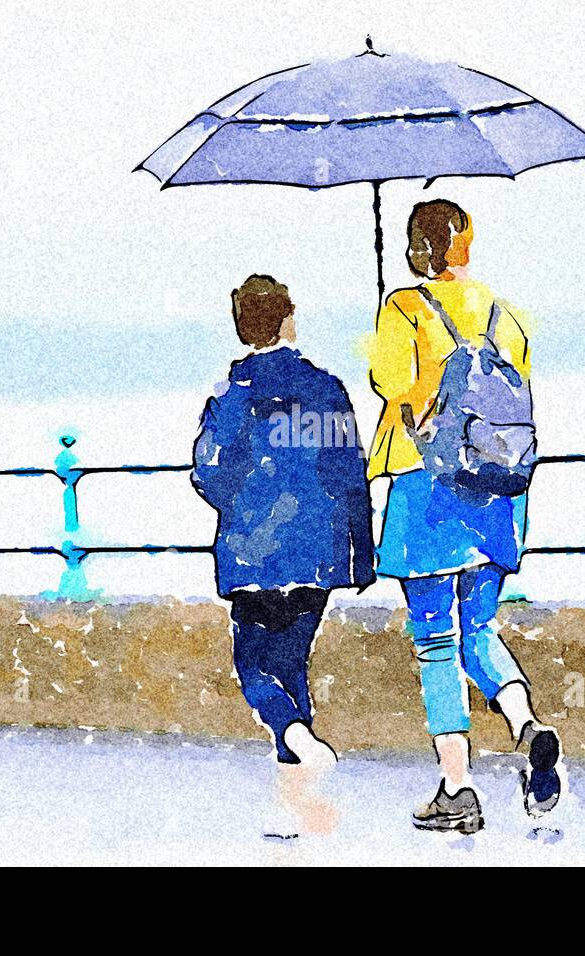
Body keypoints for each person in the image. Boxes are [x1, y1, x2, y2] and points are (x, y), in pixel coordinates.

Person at [368, 200, 562, 834]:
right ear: (465, 245)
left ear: (416, 245)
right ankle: (526, 723)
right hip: (500, 489)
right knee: (479, 627)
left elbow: (390, 383)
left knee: (433, 639)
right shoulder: (507, 315)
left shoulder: (403, 306)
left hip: (428, 485)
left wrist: (391, 332)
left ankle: (458, 785)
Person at [193, 274, 375, 834]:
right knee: (291, 666)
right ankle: (296, 802)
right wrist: (361, 552)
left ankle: (295, 741)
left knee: (253, 667)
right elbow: (350, 474)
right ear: (289, 318)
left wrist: (247, 502)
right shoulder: (327, 391)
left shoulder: (230, 398)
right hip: (318, 553)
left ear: (241, 326)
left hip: (253, 555)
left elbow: (207, 475)